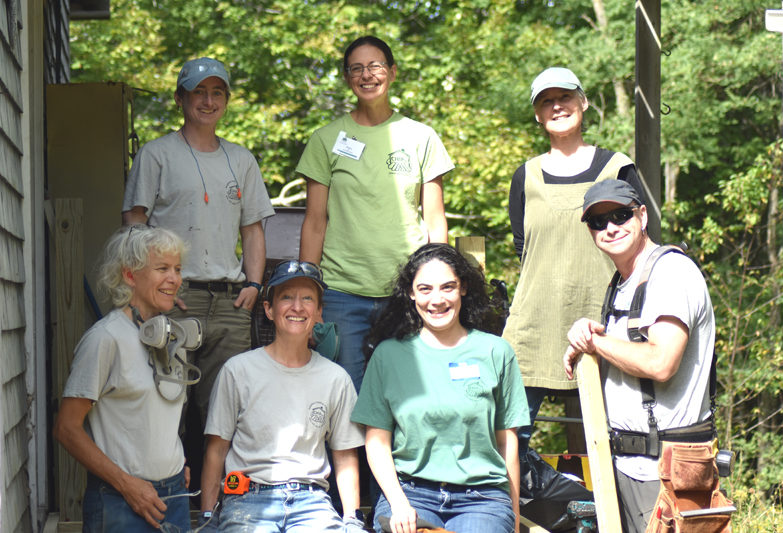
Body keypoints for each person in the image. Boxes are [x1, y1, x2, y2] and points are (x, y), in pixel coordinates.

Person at [121, 57, 275, 481]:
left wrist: (255, 284)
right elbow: (134, 224)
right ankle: (168, 493)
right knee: (168, 399)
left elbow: (254, 229)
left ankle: (226, 499)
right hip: (175, 296)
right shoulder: (156, 154)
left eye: (217, 93)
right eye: (199, 93)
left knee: (226, 407)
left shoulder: (241, 159)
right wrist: (156, 286)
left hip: (230, 299)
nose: (208, 101)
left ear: (226, 100)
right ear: (181, 99)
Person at [502, 66, 646, 455]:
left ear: (582, 102)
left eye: (564, 96)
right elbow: (523, 246)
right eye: (546, 101)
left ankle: (606, 518)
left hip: (604, 324)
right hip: (534, 327)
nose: (557, 106)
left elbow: (643, 243)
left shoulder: (617, 167)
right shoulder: (526, 176)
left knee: (608, 444)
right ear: (537, 114)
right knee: (509, 441)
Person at [297, 35, 454, 392]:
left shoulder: (421, 137)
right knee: (346, 399)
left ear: (392, 72)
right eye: (357, 68)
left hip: (406, 292)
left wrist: (435, 286)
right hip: (340, 293)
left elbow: (435, 220)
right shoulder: (326, 138)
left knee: (406, 396)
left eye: (376, 66)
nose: (367, 75)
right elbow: (315, 222)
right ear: (347, 77)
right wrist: (310, 293)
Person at [563, 180, 715, 533]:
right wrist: (590, 338)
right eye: (599, 222)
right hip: (626, 467)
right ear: (590, 231)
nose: (611, 227)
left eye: (620, 215)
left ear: (642, 216)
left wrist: (593, 344)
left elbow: (660, 362)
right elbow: (626, 354)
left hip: (667, 473)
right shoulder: (622, 281)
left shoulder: (670, 273)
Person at [351, 243, 529, 533]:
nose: (437, 299)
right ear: (410, 293)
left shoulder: (496, 351)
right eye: (425, 289)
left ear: (464, 288)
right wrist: (398, 503)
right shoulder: (387, 355)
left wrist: (513, 516)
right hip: (409, 492)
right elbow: (377, 443)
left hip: (481, 498)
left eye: (448, 287)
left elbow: (507, 441)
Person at [200, 260, 366, 531]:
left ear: (319, 311)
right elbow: (216, 449)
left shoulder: (335, 378)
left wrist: (352, 518)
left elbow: (345, 456)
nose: (297, 307)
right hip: (247, 499)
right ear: (269, 309)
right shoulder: (238, 370)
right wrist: (207, 516)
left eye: (308, 299)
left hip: (312, 501)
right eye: (286, 297)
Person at [54, 225, 191, 532]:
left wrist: (175, 460)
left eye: (178, 269)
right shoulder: (105, 339)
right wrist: (128, 486)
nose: (175, 279)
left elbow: (156, 413)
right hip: (121, 500)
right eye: (162, 268)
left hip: (175, 497)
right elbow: (66, 429)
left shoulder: (172, 338)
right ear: (130, 276)